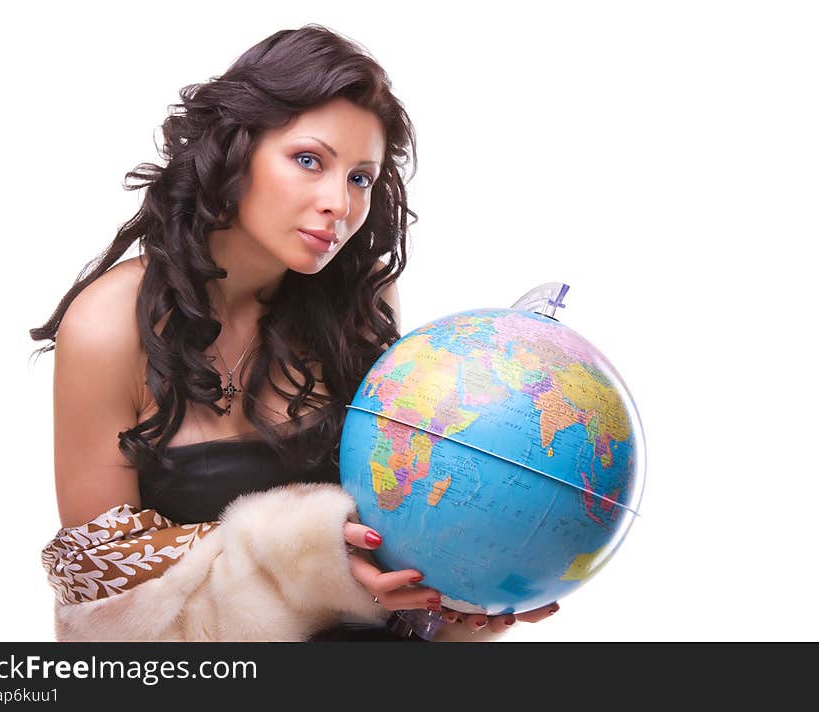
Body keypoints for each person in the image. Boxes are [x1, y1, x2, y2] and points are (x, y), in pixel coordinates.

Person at [31, 23, 559, 642]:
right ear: (235, 149)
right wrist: (301, 554)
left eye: (361, 178)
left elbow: (397, 531)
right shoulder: (109, 326)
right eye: (309, 161)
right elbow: (105, 599)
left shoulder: (358, 304)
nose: (339, 201)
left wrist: (464, 593)